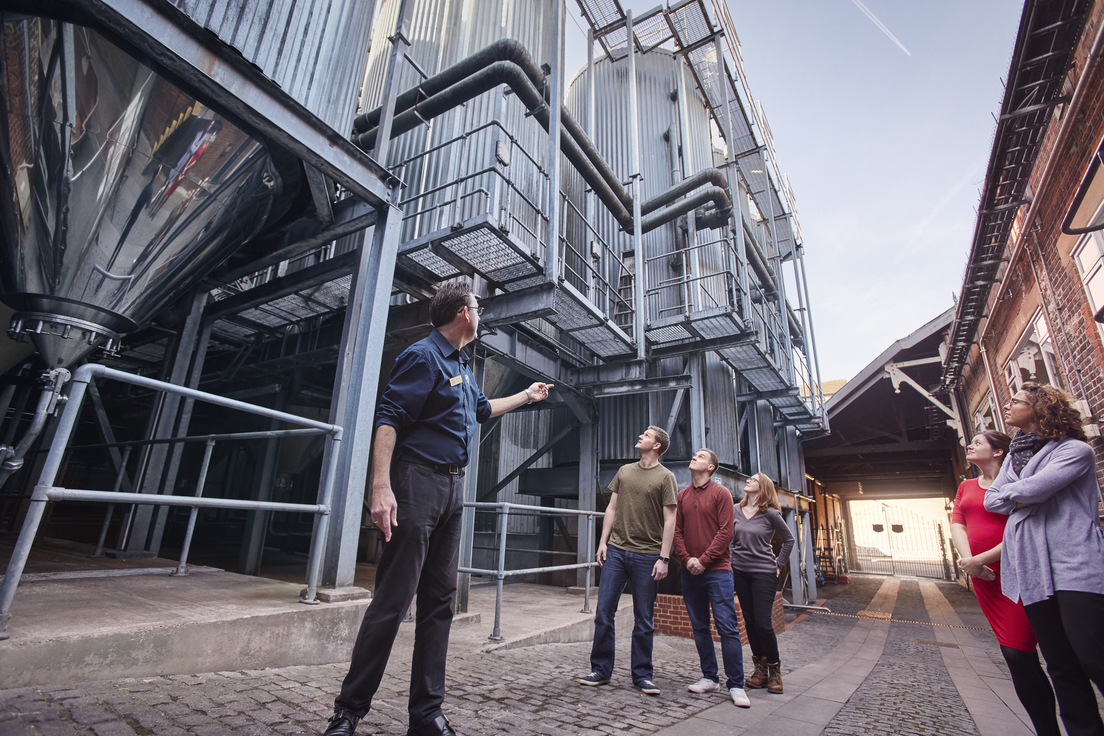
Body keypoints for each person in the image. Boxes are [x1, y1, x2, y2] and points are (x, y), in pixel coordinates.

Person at [323, 282, 552, 736]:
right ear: (464, 314)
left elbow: (483, 410)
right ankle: (348, 712)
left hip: (453, 490)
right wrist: (380, 487)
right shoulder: (423, 356)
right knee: (392, 601)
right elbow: (388, 417)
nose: (482, 314)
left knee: (439, 604)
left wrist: (527, 395)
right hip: (417, 483)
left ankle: (426, 715)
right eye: (479, 308)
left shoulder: (463, 365)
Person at [985, 382, 1104, 736]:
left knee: (1093, 656)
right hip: (1033, 572)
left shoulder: (1074, 450)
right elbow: (994, 501)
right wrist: (1021, 495)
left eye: (1016, 401)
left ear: (1040, 410)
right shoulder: (1014, 456)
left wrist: (1019, 495)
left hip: (1076, 566)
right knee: (1061, 666)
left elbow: (1035, 490)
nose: (1008, 406)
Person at [951, 431, 1059, 736]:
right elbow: (957, 522)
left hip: (1018, 571)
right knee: (1017, 659)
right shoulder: (966, 486)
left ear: (998, 452)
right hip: (985, 579)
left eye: (978, 442)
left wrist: (979, 560)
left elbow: (1020, 528)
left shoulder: (1018, 484)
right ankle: (1046, 729)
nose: (969, 446)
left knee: (1021, 652)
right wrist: (969, 562)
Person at [578, 426, 678, 695]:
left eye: (646, 435)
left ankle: (643, 675)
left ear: (657, 446)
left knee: (644, 619)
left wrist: (664, 558)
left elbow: (671, 520)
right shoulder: (625, 471)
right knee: (603, 613)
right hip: (617, 552)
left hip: (648, 555)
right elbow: (611, 508)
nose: (641, 436)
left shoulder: (666, 477)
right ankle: (600, 670)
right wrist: (602, 543)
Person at [672, 448, 751, 708]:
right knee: (700, 627)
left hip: (717, 571)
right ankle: (709, 676)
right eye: (695, 454)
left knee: (727, 627)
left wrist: (703, 561)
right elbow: (676, 532)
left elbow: (726, 532)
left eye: (701, 456)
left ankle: (736, 684)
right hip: (689, 572)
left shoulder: (721, 494)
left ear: (711, 468)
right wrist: (687, 559)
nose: (695, 457)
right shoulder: (682, 495)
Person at [731, 473, 793, 694]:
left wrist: (778, 564)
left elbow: (789, 540)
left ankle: (775, 671)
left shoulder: (771, 514)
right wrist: (731, 559)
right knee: (749, 621)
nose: (748, 481)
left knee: (763, 624)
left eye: (753, 480)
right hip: (740, 572)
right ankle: (760, 671)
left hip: (763, 573)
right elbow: (730, 538)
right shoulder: (735, 510)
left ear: (763, 487)